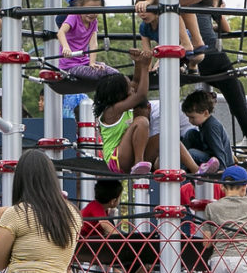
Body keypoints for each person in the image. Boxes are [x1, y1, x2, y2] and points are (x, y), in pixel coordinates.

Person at [91, 43, 215, 176]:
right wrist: (145, 67)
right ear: (118, 95)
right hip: (116, 160)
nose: (132, 89)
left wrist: (138, 63)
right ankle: (139, 163)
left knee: (167, 137)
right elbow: (141, 94)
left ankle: (196, 171)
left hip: (128, 157)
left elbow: (137, 83)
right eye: (129, 88)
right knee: (141, 121)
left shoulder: (121, 103)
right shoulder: (112, 110)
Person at [53, 0, 119, 82]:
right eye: (89, 9)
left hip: (85, 62)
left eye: (96, 10)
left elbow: (93, 43)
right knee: (101, 74)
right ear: (80, 7)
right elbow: (61, 32)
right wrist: (66, 47)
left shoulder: (94, 22)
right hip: (70, 66)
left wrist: (92, 62)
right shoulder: (74, 16)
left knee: (115, 74)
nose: (92, 13)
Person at [181, 89, 233, 171]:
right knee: (190, 133)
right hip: (208, 154)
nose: (190, 121)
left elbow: (218, 150)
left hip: (219, 162)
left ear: (205, 113)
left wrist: (222, 170)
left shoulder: (211, 127)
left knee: (191, 153)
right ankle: (180, 158)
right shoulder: (203, 124)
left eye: (192, 117)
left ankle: (182, 170)